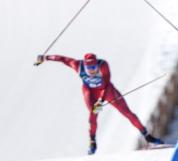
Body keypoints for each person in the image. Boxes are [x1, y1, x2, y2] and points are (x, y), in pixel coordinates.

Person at [34, 53, 163, 154]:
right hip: (91, 92)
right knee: (93, 114)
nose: (92, 70)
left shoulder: (103, 65)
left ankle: (147, 136)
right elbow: (62, 59)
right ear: (85, 65)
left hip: (107, 91)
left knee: (127, 113)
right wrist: (44, 58)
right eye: (89, 68)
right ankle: (92, 141)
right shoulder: (77, 65)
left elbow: (106, 84)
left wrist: (101, 101)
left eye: (94, 67)